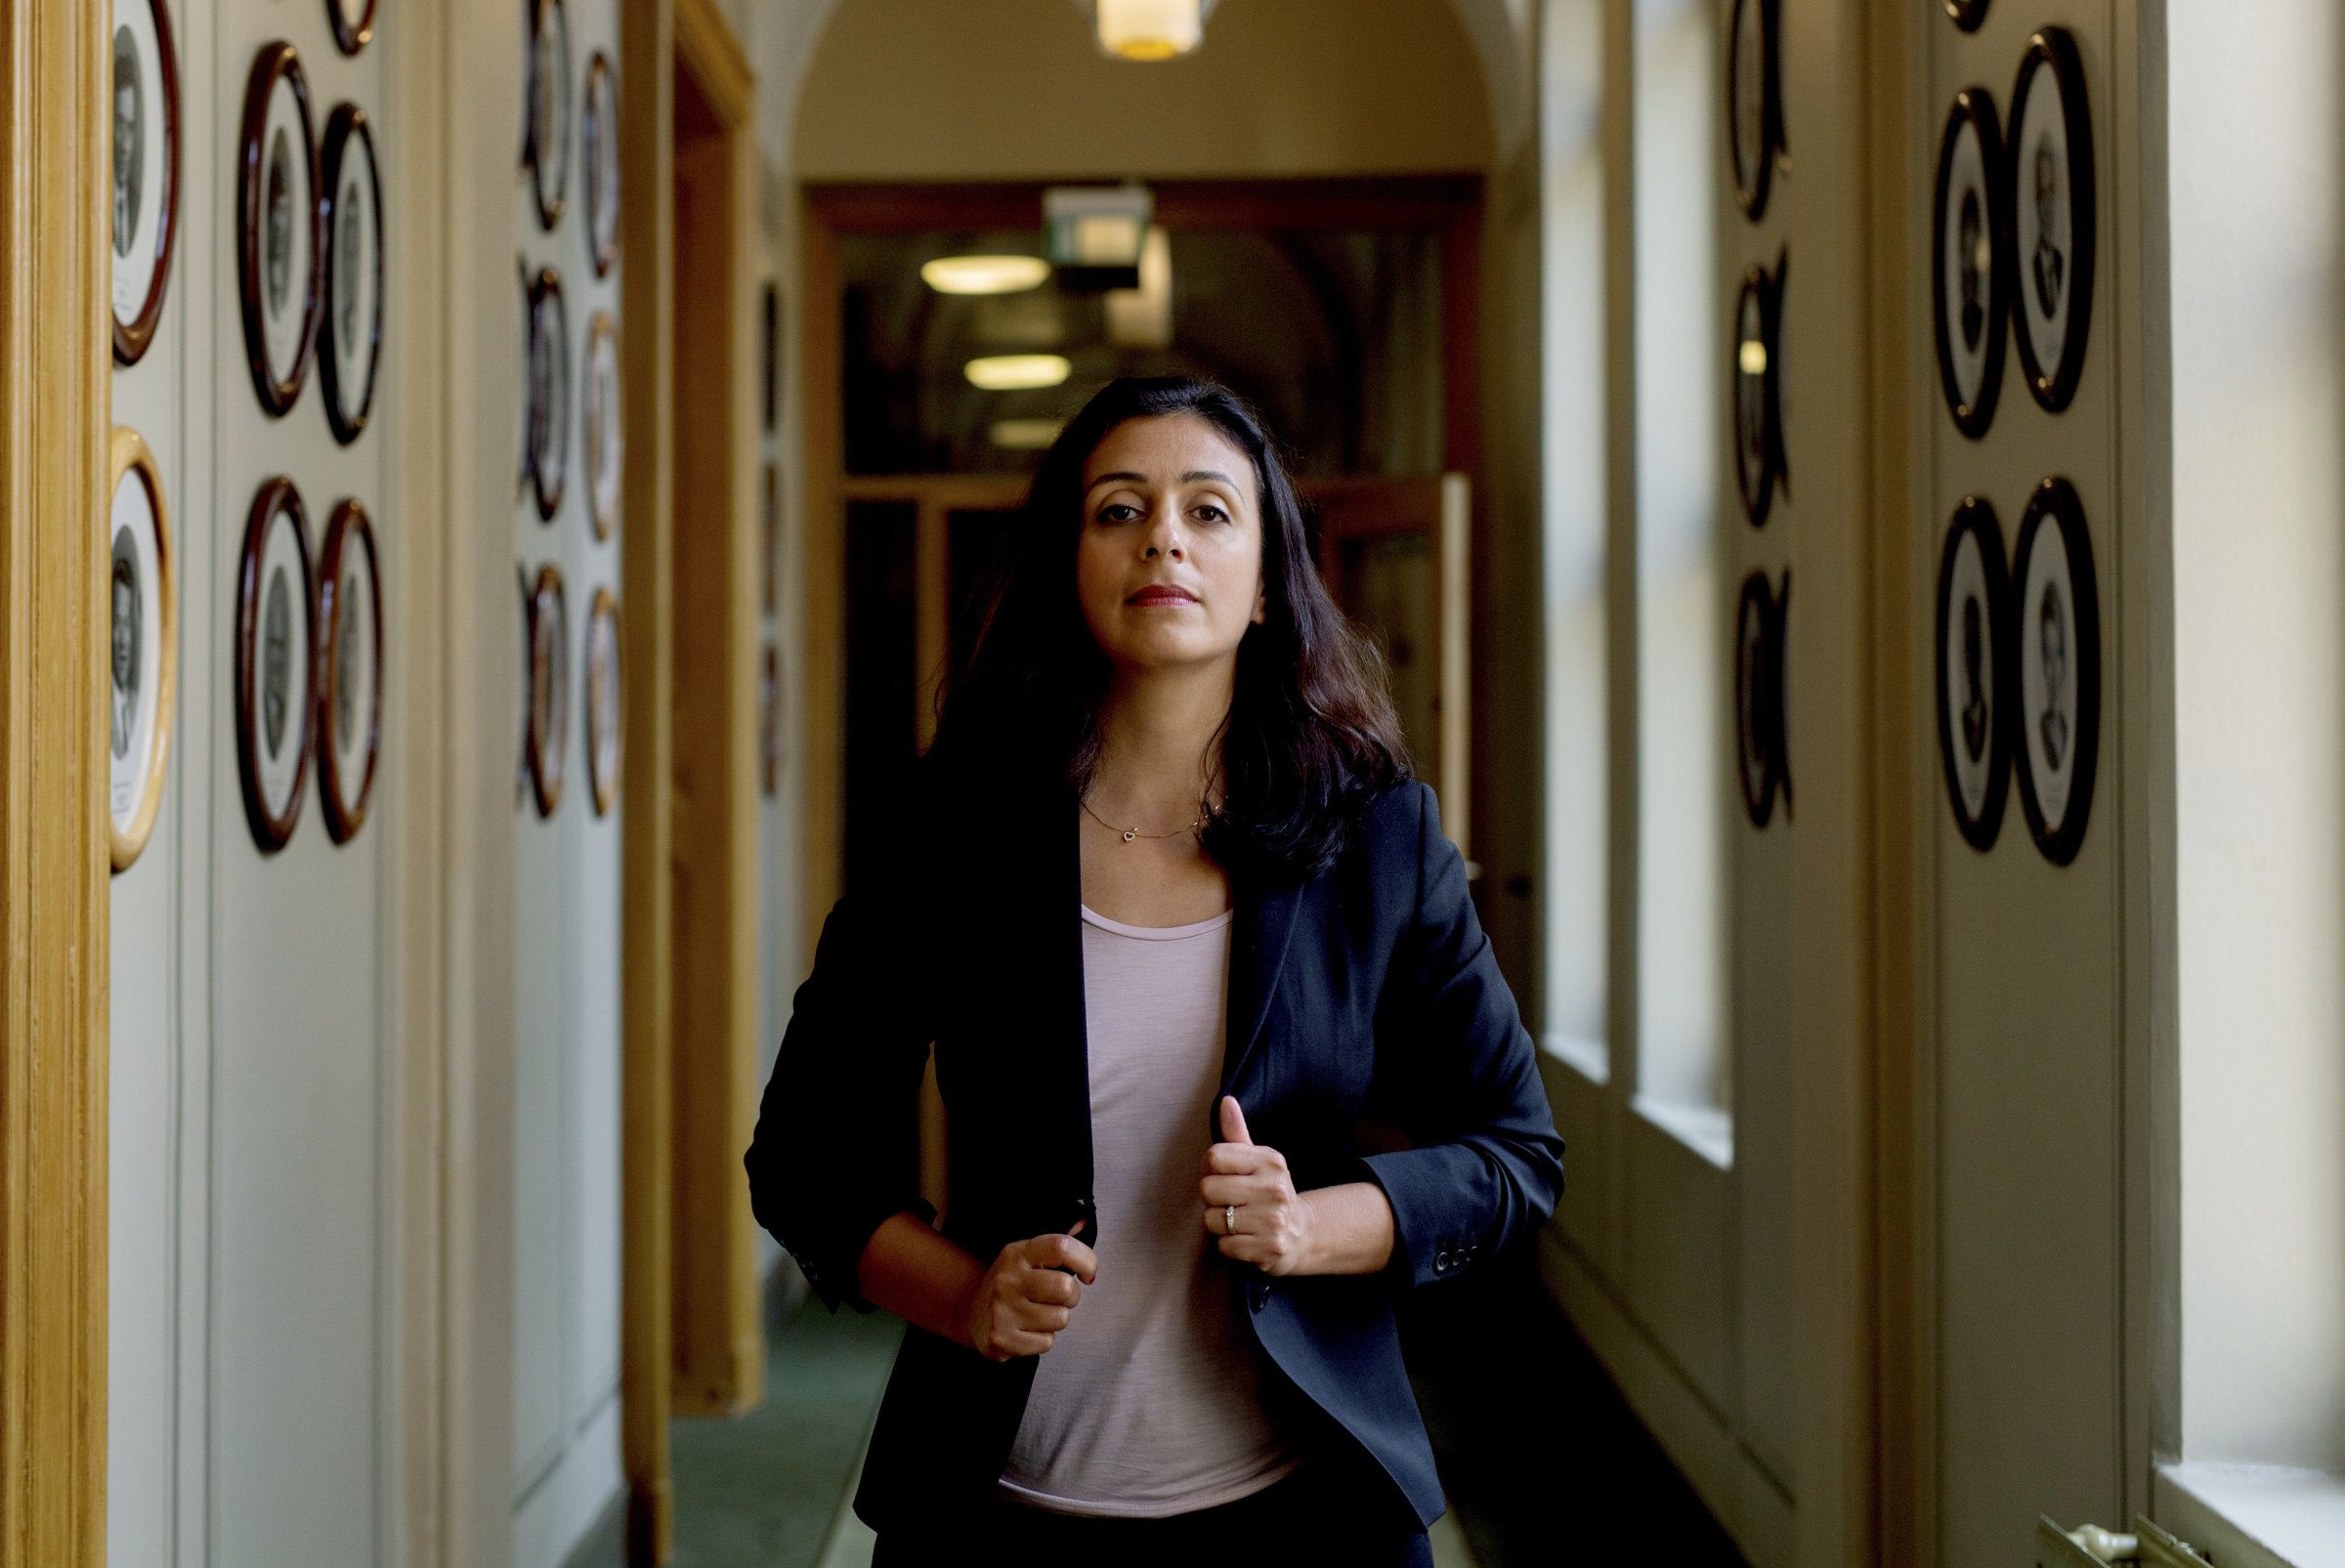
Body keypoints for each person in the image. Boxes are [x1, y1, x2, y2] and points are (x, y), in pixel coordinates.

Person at [746, 376, 1564, 1566]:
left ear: (1273, 584)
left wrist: (1313, 1226)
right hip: (998, 1510)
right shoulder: (952, 827)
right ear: (1068, 565)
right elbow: (803, 1157)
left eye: (1209, 511)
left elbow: (1515, 1153)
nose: (1164, 536)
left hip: (1305, 1510)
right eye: (1118, 509)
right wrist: (966, 1298)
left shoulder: (1379, 835)